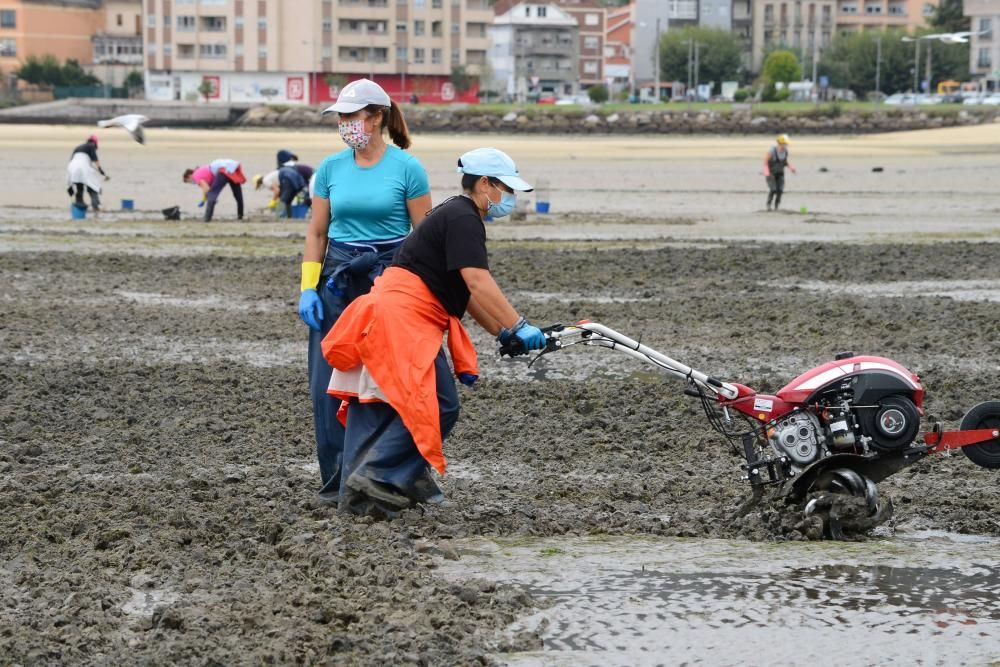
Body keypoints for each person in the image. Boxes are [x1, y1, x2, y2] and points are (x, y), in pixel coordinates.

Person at [320, 147, 546, 516]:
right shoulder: (464, 218)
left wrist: (501, 334)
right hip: (402, 319)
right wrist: (517, 324)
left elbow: (462, 292)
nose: (510, 198)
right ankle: (380, 476)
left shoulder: (451, 213)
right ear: (485, 183)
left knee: (380, 407)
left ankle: (362, 501)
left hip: (393, 314)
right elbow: (477, 281)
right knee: (441, 404)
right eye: (506, 188)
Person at [297, 78, 433, 506]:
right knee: (328, 383)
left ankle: (398, 477)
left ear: (376, 118)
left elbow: (424, 237)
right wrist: (307, 288)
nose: (344, 124)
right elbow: (317, 232)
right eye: (340, 117)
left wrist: (421, 294)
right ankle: (337, 480)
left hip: (389, 277)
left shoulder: (408, 169)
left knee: (394, 380)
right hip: (336, 278)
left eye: (351, 116)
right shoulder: (330, 169)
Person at [182, 158, 246, 222]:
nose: (191, 183)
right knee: (238, 196)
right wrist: (204, 199)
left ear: (189, 176)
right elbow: (208, 187)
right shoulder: (200, 171)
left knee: (212, 195)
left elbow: (207, 189)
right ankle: (240, 216)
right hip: (232, 168)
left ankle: (207, 219)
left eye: (188, 181)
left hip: (224, 170)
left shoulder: (195, 176)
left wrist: (209, 199)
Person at [66, 135, 109, 212]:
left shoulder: (78, 147)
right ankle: (95, 206)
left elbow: (72, 160)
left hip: (72, 167)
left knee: (79, 186)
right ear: (95, 143)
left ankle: (79, 206)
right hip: (82, 166)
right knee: (92, 186)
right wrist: (101, 170)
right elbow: (95, 160)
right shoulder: (91, 146)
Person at [764, 134, 796, 211]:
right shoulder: (772, 151)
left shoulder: (785, 151)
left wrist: (791, 167)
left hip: (780, 173)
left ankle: (776, 206)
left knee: (780, 190)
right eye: (785, 144)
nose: (786, 145)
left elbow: (785, 161)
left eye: (786, 144)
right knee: (773, 189)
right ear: (780, 143)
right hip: (771, 173)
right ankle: (768, 205)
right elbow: (765, 161)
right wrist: (766, 171)